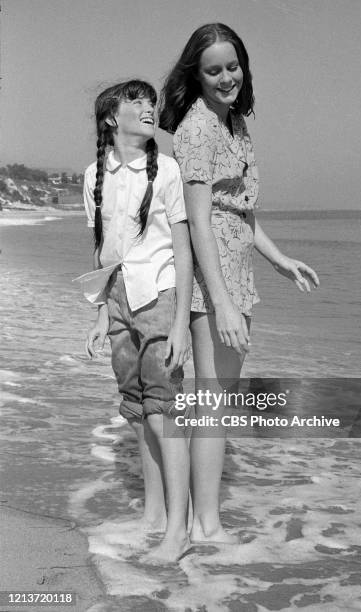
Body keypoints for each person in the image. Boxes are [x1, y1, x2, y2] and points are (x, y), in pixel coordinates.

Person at [159, 23, 319, 544]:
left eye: (232, 66)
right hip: (213, 276)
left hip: (236, 270)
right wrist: (221, 303)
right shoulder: (198, 130)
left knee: (217, 397)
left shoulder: (235, 124)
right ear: (196, 75)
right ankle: (204, 524)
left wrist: (279, 260)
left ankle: (200, 519)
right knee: (211, 398)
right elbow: (201, 220)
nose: (226, 77)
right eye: (213, 70)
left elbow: (241, 213)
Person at [81, 80, 193, 562]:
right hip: (119, 300)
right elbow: (102, 249)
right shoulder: (92, 175)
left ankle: (179, 530)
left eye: (151, 102)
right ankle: (151, 515)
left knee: (163, 409)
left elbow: (184, 251)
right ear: (112, 117)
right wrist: (101, 313)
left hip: (160, 296)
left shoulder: (166, 169)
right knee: (135, 406)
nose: (149, 107)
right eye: (137, 101)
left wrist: (183, 324)